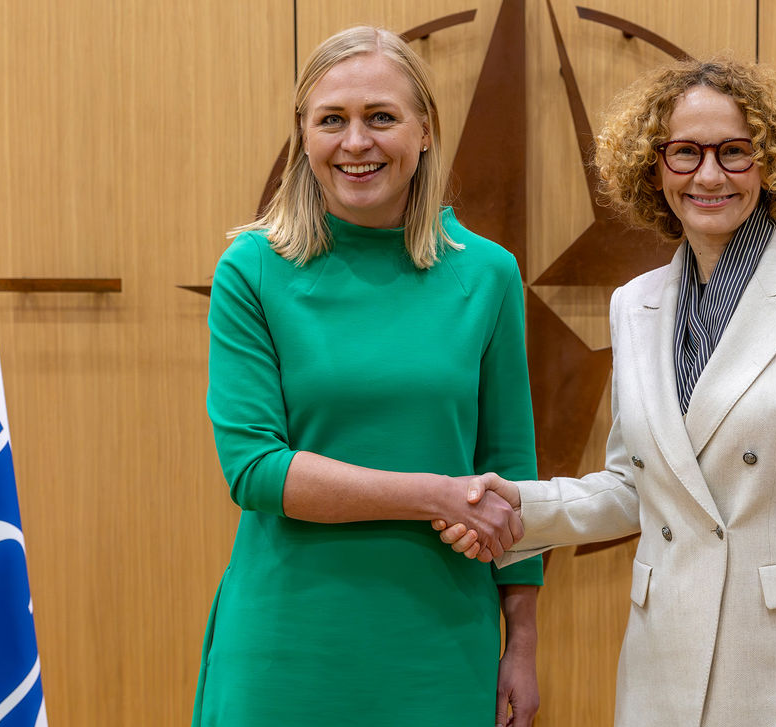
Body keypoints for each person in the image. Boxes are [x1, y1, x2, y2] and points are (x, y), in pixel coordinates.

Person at [436, 57, 776, 727]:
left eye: (734, 152)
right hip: (663, 667)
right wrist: (510, 504)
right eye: (685, 153)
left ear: (771, 162)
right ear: (653, 166)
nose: (708, 175)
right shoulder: (633, 305)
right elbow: (635, 487)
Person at [193, 26, 543, 727]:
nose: (357, 142)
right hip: (287, 641)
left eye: (381, 117)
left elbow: (508, 469)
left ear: (423, 132)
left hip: (440, 639)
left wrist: (524, 641)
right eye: (332, 120)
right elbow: (256, 470)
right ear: (305, 135)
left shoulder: (488, 272)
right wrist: (437, 495)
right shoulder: (252, 271)